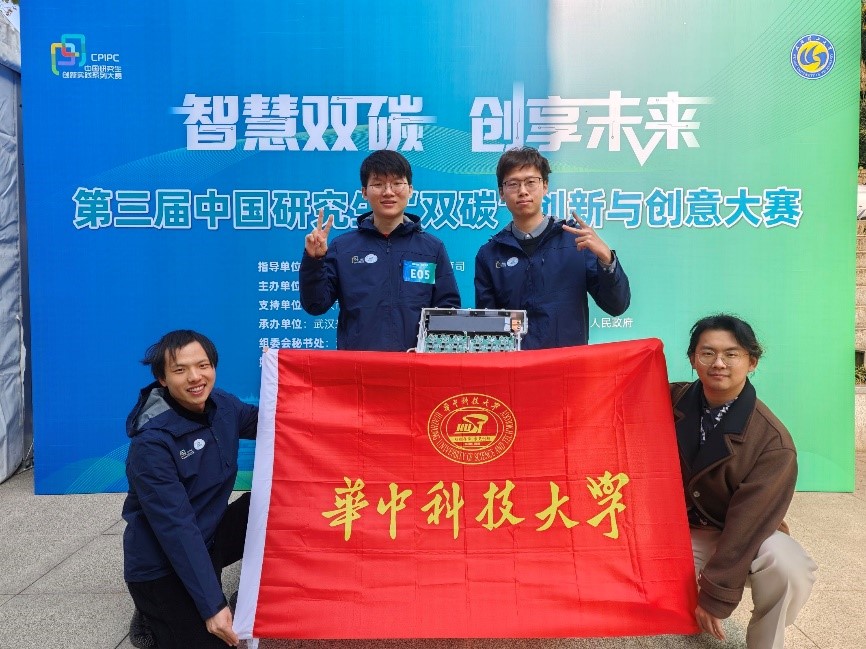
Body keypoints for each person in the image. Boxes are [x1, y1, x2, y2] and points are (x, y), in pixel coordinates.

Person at [670, 314, 816, 649]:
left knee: (789, 567)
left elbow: (748, 525)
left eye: (731, 354)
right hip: (673, 531)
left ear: (752, 362)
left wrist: (716, 595)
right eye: (707, 353)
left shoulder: (772, 441)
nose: (718, 363)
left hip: (736, 533)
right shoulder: (667, 399)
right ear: (692, 359)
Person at [122, 330, 258, 648]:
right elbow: (177, 528)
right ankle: (153, 612)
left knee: (273, 503)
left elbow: (272, 422)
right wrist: (214, 607)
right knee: (222, 641)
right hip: (162, 562)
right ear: (163, 379)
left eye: (203, 365)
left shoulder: (222, 405)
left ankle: (254, 590)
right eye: (180, 370)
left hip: (209, 534)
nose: (195, 377)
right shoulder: (151, 443)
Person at [300, 149, 461, 351]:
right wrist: (314, 261)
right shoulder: (343, 248)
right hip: (359, 365)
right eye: (378, 184)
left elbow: (448, 309)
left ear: (410, 190)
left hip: (414, 365)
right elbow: (315, 304)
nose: (388, 192)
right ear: (364, 192)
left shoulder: (431, 248)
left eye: (397, 183)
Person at [474, 146, 630, 349]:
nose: (523, 191)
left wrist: (607, 259)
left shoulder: (576, 242)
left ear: (545, 186)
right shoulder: (489, 254)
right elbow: (488, 332)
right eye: (513, 184)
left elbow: (617, 306)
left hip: (567, 365)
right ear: (501, 193)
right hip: (515, 367)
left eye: (531, 182)